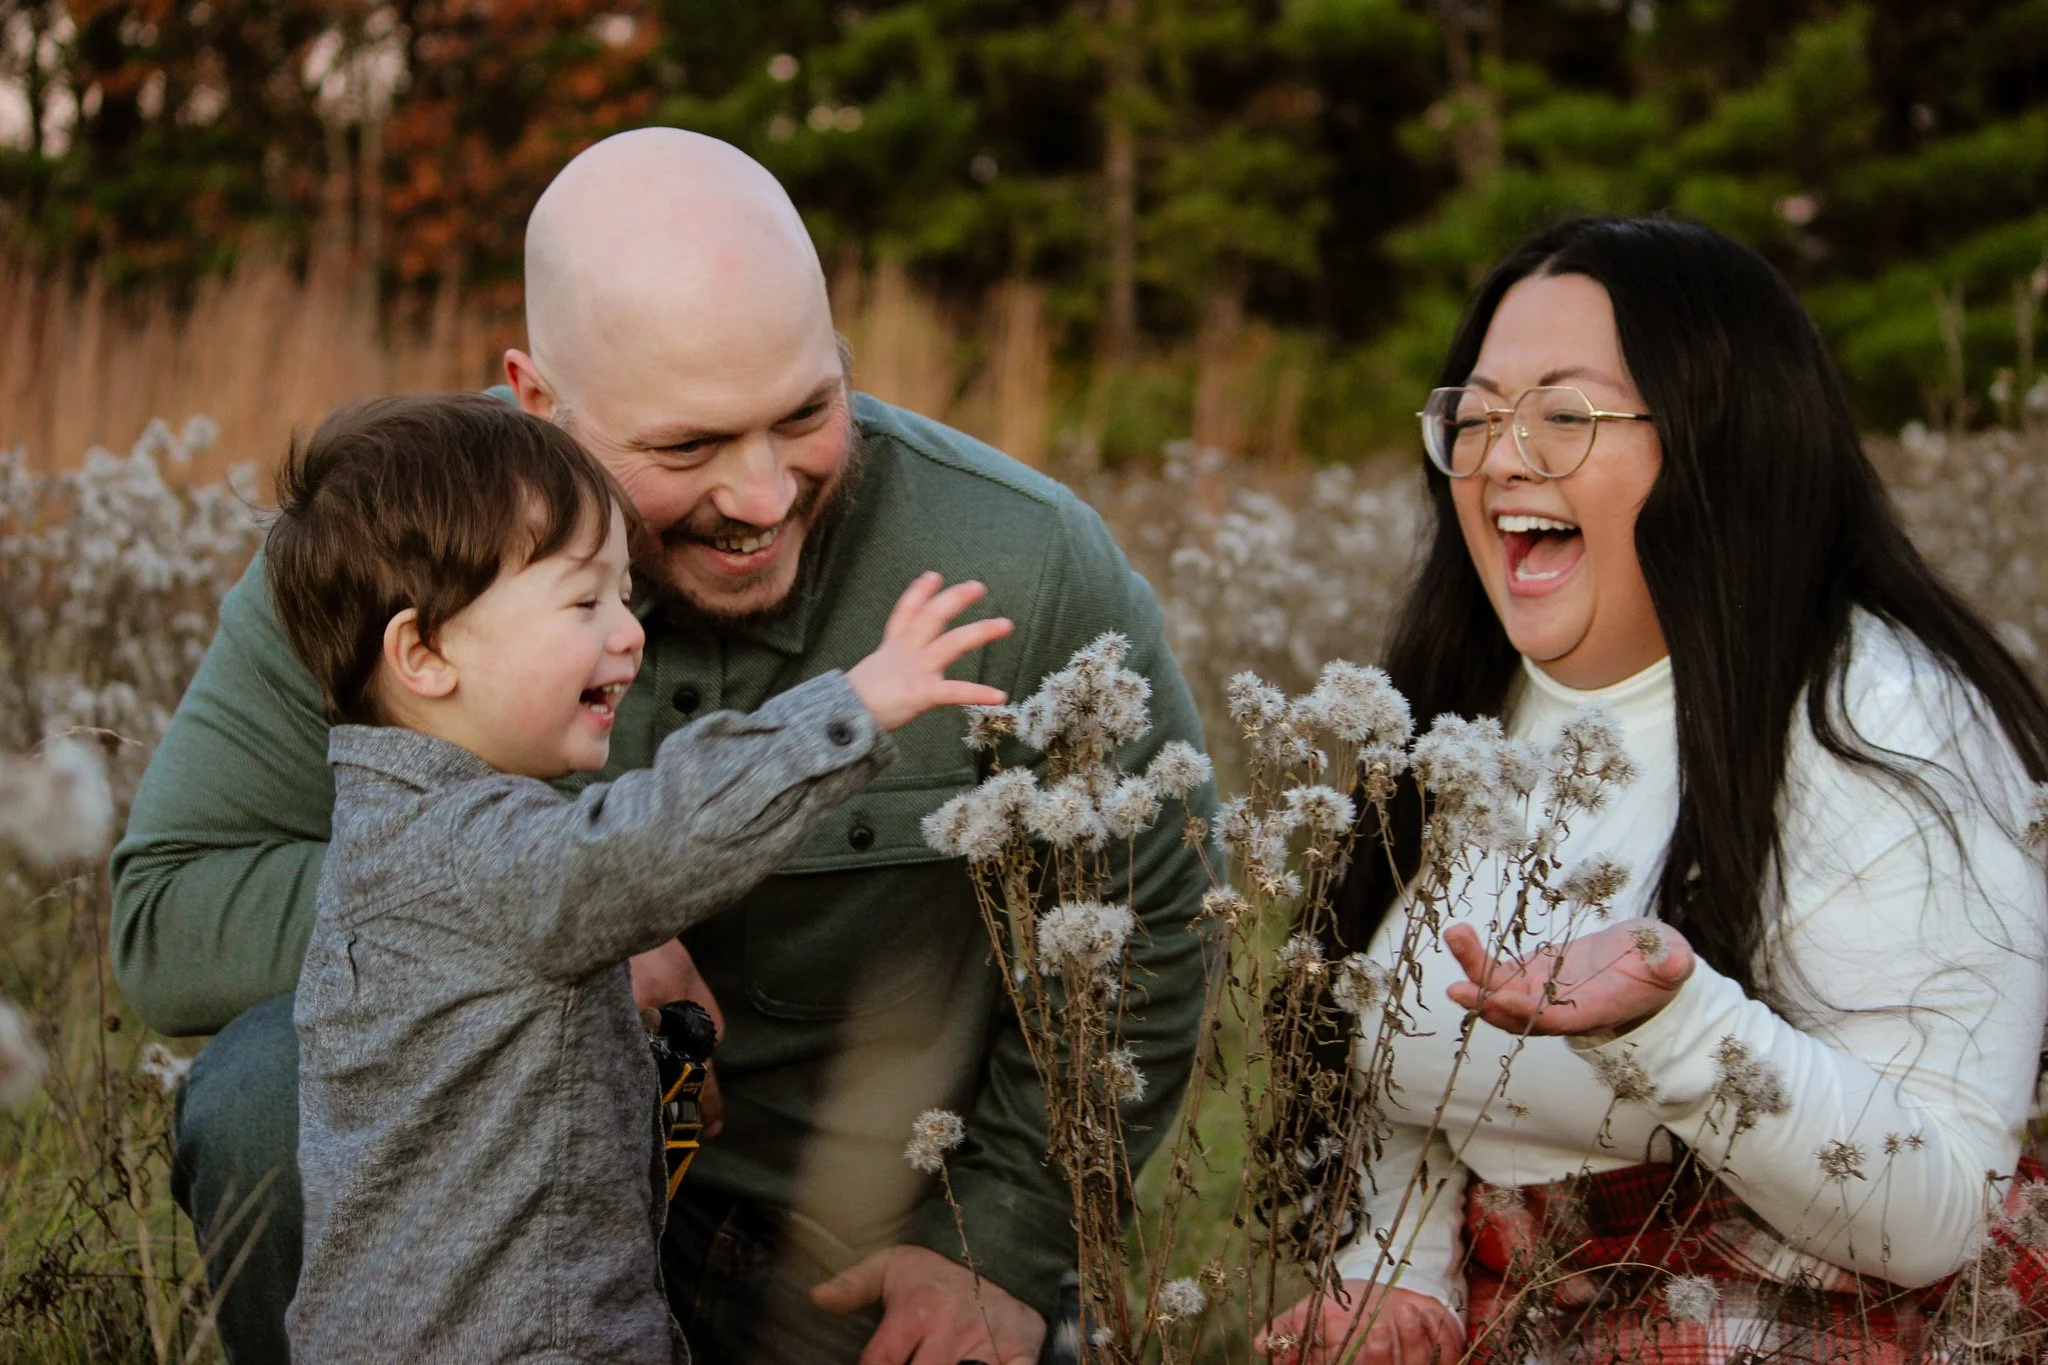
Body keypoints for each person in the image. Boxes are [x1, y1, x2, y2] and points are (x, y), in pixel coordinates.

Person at [111, 129, 1215, 1365]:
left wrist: (999, 1252)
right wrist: (558, 904)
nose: (759, 496)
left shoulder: (1022, 556)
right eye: (685, 449)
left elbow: (1156, 912)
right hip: (487, 1238)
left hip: (848, 1258)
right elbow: (170, 910)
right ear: (537, 399)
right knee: (265, 1094)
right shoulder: (387, 542)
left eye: (806, 411)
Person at [1260, 216, 2048, 1363]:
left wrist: (1674, 1027)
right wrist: (1403, 1274)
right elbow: (1399, 1062)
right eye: (1472, 418)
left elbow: (1928, 1219)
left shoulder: (1883, 720)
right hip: (1529, 1311)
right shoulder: (1452, 706)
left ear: (1720, 443)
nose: (1501, 458)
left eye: (1564, 416)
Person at [269, 393, 1011, 1361]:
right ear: (424, 653)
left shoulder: (387, 835)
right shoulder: (479, 853)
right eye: (585, 602)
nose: (629, 634)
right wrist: (850, 711)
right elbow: (644, 846)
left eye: (626, 596)